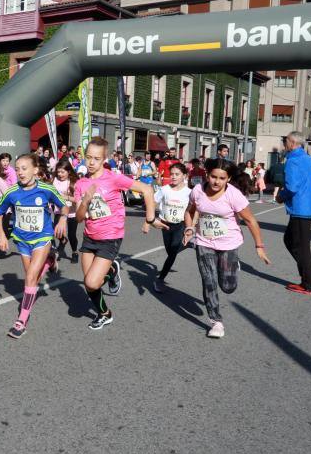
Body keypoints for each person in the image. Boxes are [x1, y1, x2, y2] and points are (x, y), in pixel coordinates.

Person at [74, 137, 166, 330]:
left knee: (92, 281)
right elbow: (79, 218)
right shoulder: (81, 184)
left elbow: (147, 189)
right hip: (90, 236)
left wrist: (149, 218)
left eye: (96, 158)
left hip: (110, 236)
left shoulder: (113, 178)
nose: (91, 162)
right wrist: (86, 200)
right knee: (90, 284)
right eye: (88, 157)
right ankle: (105, 314)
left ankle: (113, 270)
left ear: (104, 158)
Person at [182, 158, 270, 337]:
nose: (216, 182)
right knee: (209, 281)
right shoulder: (198, 191)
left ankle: (233, 266)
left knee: (228, 286)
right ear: (208, 175)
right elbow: (190, 211)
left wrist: (259, 246)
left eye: (222, 178)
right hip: (204, 242)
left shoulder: (233, 195)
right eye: (214, 177)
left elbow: (250, 220)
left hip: (229, 243)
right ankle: (216, 321)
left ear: (228, 179)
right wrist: (189, 228)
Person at [0, 153, 68, 339]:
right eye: (17, 169)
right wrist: (2, 235)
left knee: (30, 277)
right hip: (22, 239)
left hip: (42, 237)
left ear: (35, 170)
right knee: (32, 277)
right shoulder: (12, 192)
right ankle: (50, 261)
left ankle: (22, 320)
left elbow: (64, 205)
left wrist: (62, 220)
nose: (20, 172)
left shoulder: (46, 189)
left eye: (24, 168)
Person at [276, 131, 311, 295]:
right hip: (308, 206)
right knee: (291, 240)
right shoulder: (310, 161)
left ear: (293, 142)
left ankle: (309, 283)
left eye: (285, 140)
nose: (284, 143)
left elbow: (292, 187)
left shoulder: (293, 161)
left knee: (300, 247)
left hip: (301, 208)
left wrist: (281, 196)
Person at [152, 163, 192, 293]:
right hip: (165, 224)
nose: (173, 177)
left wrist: (191, 225)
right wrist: (150, 219)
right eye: (172, 174)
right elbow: (153, 202)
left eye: (177, 174)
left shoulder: (189, 193)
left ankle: (160, 279)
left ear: (184, 176)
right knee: (170, 251)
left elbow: (194, 210)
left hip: (180, 225)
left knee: (173, 252)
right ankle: (188, 245)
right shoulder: (164, 189)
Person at [53, 158, 79, 263]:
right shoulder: (54, 180)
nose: (60, 174)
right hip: (59, 211)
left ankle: (75, 252)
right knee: (57, 231)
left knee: (72, 234)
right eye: (58, 172)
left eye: (62, 172)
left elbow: (78, 200)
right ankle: (63, 241)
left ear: (68, 171)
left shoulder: (74, 182)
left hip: (72, 212)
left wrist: (66, 197)